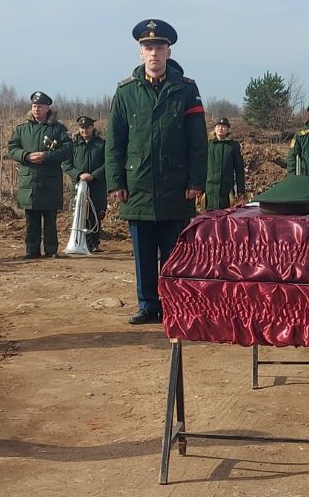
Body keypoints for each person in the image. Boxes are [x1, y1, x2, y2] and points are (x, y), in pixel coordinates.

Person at [107, 19, 206, 324]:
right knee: (143, 254)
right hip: (137, 186)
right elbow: (115, 141)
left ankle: (174, 305)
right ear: (140, 53)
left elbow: (198, 140)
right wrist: (116, 181)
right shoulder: (125, 92)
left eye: (159, 47)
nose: (154, 53)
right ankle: (148, 305)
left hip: (176, 187)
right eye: (148, 47)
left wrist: (195, 181)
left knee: (175, 254)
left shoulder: (186, 90)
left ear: (169, 51)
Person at [8, 91, 73, 258]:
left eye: (40, 106)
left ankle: (51, 250)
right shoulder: (22, 129)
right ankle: (32, 250)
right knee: (31, 218)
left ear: (47, 108)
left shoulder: (58, 129)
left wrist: (47, 156)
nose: (37, 109)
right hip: (29, 180)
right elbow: (12, 148)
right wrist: (26, 156)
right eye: (34, 106)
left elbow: (67, 150)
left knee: (50, 218)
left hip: (49, 180)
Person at [65, 115, 106, 251]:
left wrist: (93, 176)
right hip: (78, 185)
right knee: (79, 213)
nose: (84, 131)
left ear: (92, 128)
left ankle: (94, 243)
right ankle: (78, 242)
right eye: (82, 128)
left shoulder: (101, 145)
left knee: (95, 215)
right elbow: (66, 164)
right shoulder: (73, 145)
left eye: (87, 128)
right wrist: (78, 175)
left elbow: (107, 164)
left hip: (96, 186)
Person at [204, 116, 246, 211]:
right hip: (210, 191)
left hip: (227, 192)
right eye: (218, 126)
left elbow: (239, 170)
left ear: (228, 129)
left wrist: (240, 192)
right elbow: (201, 168)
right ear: (214, 128)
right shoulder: (208, 146)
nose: (220, 128)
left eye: (223, 126)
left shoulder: (233, 146)